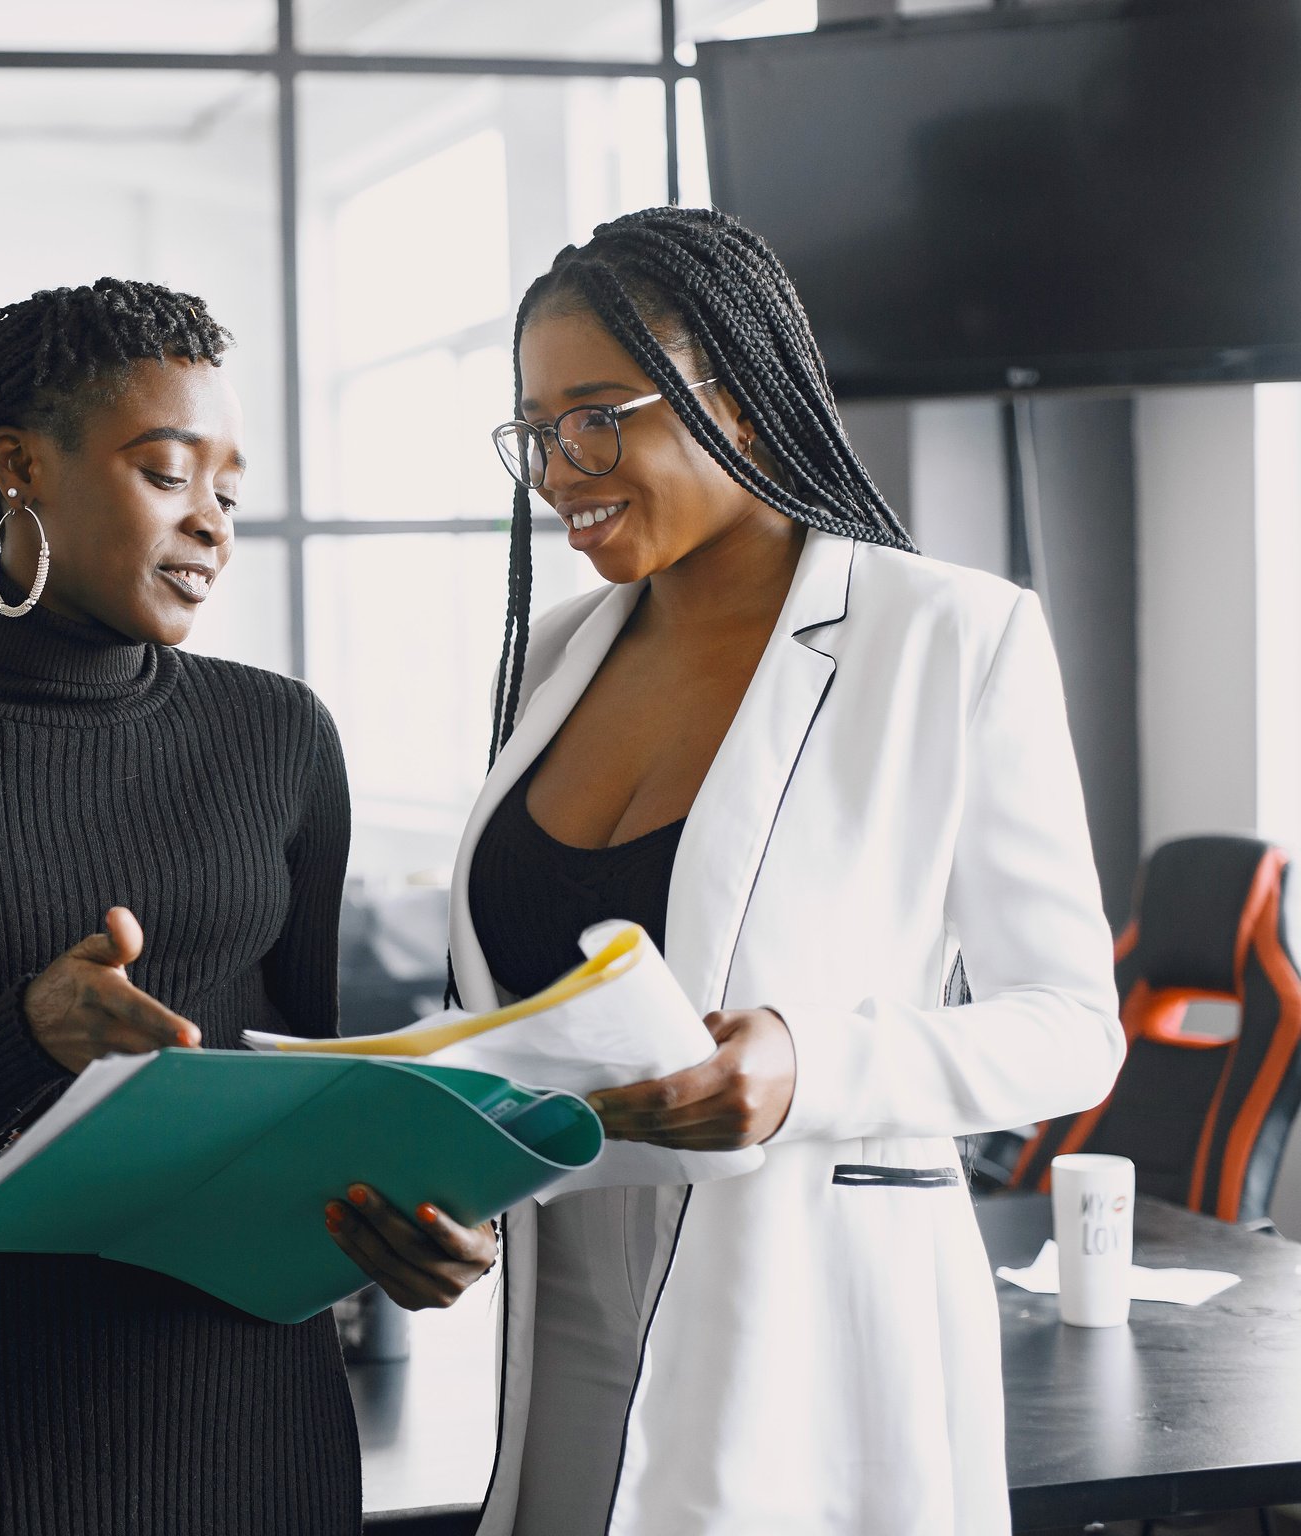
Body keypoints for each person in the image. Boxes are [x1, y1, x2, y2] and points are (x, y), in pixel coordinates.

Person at [0, 277, 496, 1536]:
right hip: (4, 1449)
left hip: (271, 1436)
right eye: (168, 474)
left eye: (230, 491)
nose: (213, 523)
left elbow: (316, 1090)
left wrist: (421, 1226)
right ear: (20, 468)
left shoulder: (279, 736)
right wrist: (25, 1033)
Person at [455, 205, 1123, 1536]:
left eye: (600, 414)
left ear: (745, 402)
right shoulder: (554, 659)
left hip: (803, 1359)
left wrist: (806, 1066)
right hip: (560, 1345)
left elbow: (1071, 1035)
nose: (558, 468)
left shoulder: (948, 638)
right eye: (535, 428)